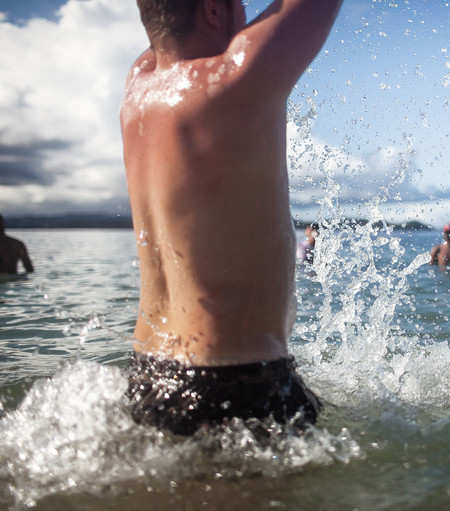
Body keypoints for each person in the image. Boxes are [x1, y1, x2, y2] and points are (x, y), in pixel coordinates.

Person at [120, 0, 343, 436]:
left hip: (146, 374)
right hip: (236, 384)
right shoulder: (233, 78)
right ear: (213, 11)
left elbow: (163, 25)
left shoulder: (137, 88)